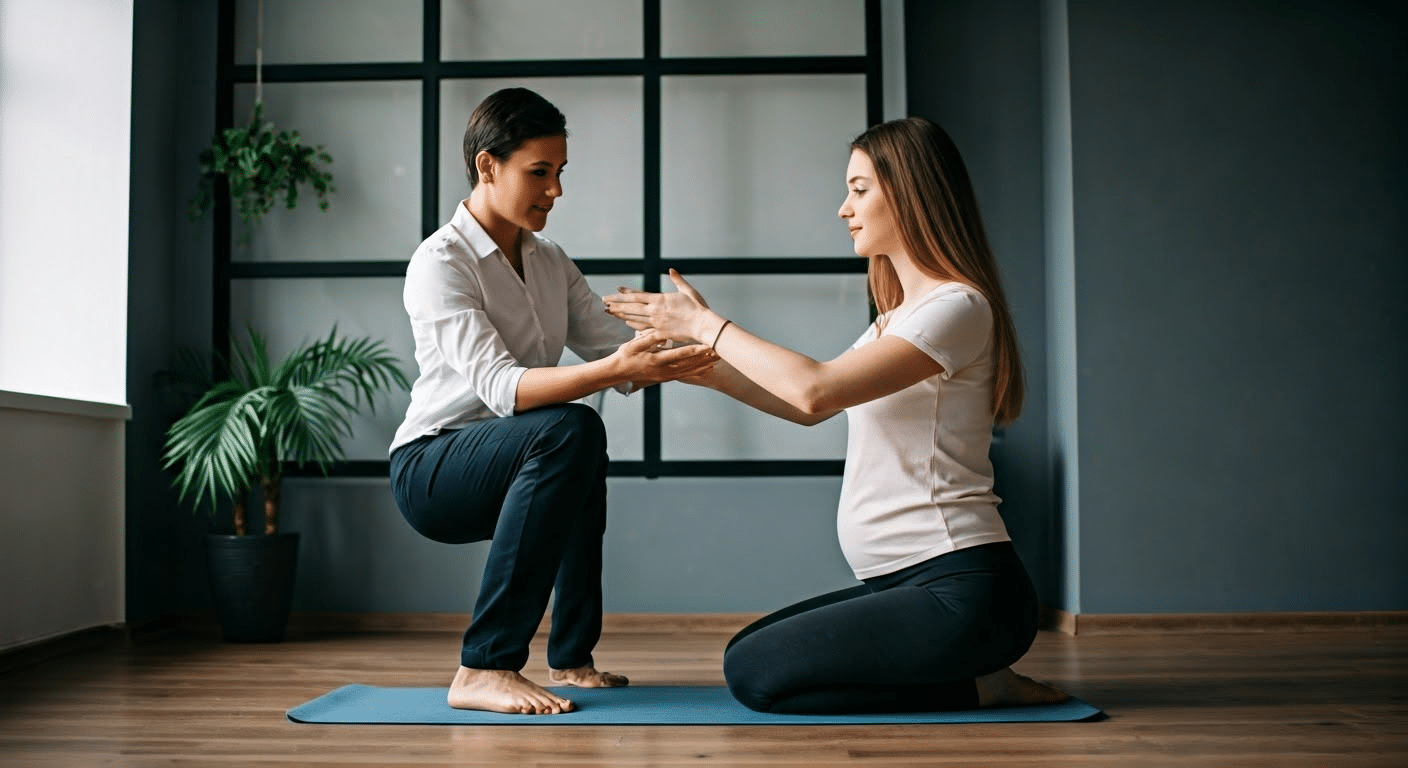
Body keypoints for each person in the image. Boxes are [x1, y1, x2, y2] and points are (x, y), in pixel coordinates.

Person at [604, 116, 1068, 714]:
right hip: (905, 583)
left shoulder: (957, 308)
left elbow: (814, 389)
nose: (843, 209)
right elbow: (804, 408)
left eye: (859, 188)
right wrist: (699, 364)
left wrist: (705, 325)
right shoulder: (893, 320)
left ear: (909, 191)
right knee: (748, 650)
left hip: (966, 590)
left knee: (754, 673)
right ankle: (980, 680)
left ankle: (980, 684)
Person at [389, 87, 715, 715]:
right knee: (570, 428)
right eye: (539, 172)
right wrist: (613, 370)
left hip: (519, 458)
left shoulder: (549, 260)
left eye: (560, 173)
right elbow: (503, 388)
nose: (556, 190)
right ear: (489, 166)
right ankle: (483, 666)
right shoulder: (441, 262)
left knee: (578, 438)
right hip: (432, 471)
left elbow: (617, 345)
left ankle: (571, 658)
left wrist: (694, 331)